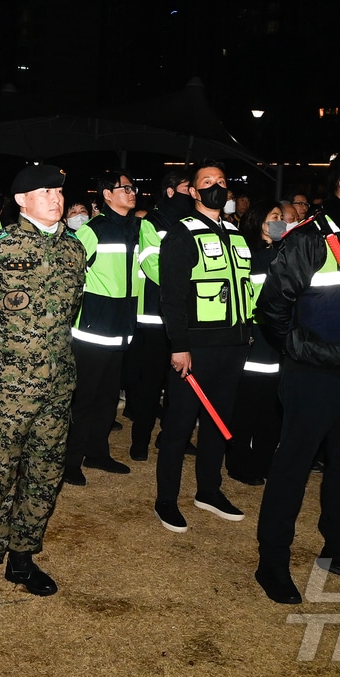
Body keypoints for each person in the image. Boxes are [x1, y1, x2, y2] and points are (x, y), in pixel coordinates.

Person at [253, 148, 340, 605]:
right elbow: (272, 310)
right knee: (292, 468)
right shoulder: (307, 239)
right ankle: (271, 561)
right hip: (314, 377)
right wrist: (306, 352)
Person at [0, 163, 86, 613]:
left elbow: (68, 314)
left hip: (58, 384)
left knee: (45, 473)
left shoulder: (73, 250)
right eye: (46, 191)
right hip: (10, 388)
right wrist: (6, 360)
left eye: (59, 191)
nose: (57, 198)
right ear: (22, 200)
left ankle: (22, 558)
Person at [153, 162, 255, 532]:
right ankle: (166, 499)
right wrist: (179, 346)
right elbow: (172, 297)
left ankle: (208, 491)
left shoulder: (236, 233)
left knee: (217, 422)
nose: (216, 188)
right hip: (195, 348)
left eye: (221, 182)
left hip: (233, 344)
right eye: (207, 183)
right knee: (179, 425)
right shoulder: (181, 233)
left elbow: (247, 289)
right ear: (193, 192)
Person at [64, 171, 142, 484]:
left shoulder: (138, 229)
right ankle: (70, 462)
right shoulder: (92, 231)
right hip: (92, 331)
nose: (131, 191)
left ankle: (97, 453)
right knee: (84, 398)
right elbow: (71, 277)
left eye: (132, 187)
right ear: (107, 195)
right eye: (125, 188)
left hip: (122, 329)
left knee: (109, 398)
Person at [128, 168, 194, 462]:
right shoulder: (152, 222)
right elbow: (151, 264)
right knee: (151, 382)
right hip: (155, 317)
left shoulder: (193, 222)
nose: (192, 193)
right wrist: (188, 285)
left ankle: (172, 434)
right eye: (187, 187)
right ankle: (140, 440)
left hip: (186, 317)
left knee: (180, 383)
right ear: (170, 191)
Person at [225, 199, 286, 486]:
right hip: (256, 340)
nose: (280, 222)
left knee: (272, 413)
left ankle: (264, 461)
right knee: (246, 410)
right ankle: (238, 463)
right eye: (274, 217)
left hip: (279, 344)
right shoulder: (249, 256)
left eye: (281, 217)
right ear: (259, 221)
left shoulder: (285, 253)